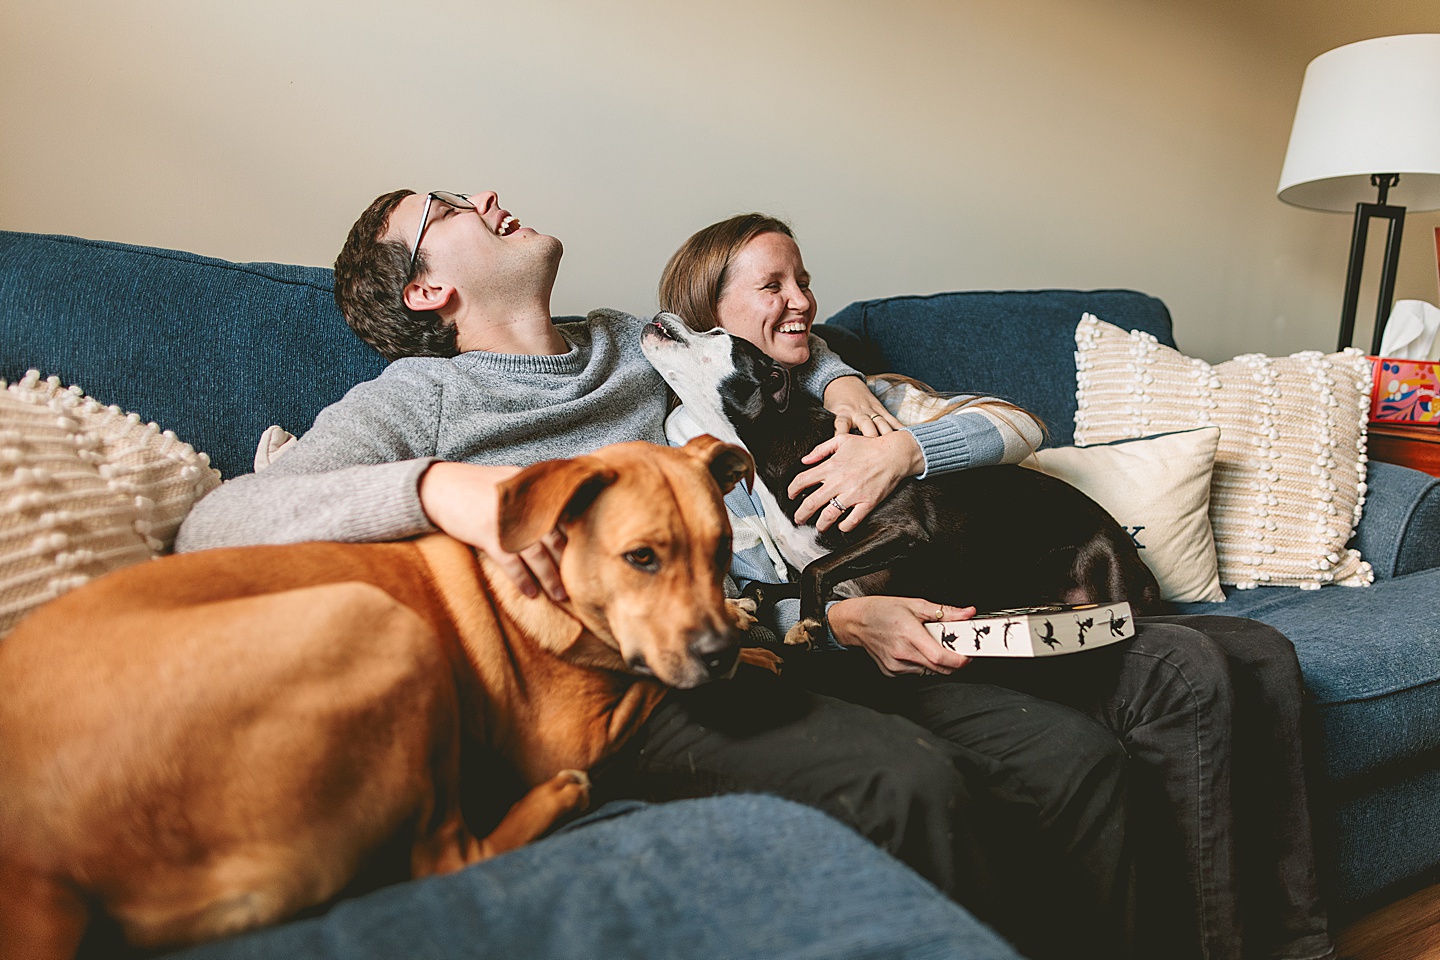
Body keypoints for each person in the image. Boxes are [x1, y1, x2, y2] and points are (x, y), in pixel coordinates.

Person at [175, 189, 1133, 960]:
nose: (490, 198)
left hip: (779, 627)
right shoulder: (418, 399)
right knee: (901, 784)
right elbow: (216, 528)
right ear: (426, 290)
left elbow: (781, 345)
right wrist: (442, 490)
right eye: (451, 209)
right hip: (614, 681)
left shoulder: (639, 339)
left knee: (1070, 759)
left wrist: (839, 386)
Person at [656, 212, 1339, 960]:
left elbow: (1019, 425)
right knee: (1187, 671)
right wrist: (840, 614)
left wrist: (904, 450)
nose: (803, 300)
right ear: (708, 321)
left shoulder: (864, 395)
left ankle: (1296, 946)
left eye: (805, 280)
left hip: (1006, 594)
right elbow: (740, 591)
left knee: (1265, 653)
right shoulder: (699, 450)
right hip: (904, 636)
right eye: (773, 285)